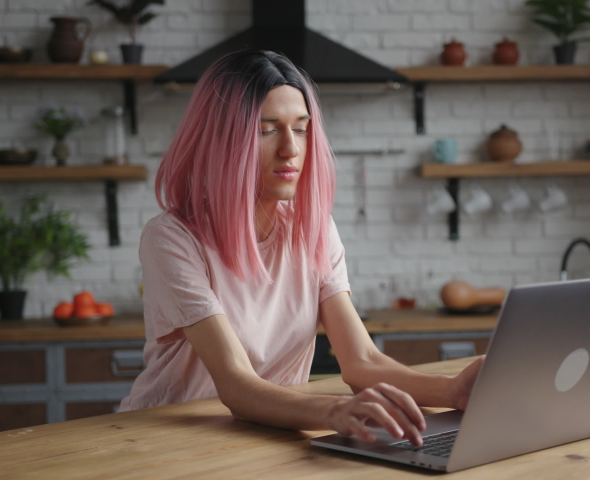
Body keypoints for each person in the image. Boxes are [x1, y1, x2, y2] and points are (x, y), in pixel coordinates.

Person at [119, 50, 483, 446]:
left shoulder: (315, 229)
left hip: (265, 434)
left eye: (301, 128)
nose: (291, 148)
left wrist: (452, 391)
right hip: (167, 441)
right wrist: (333, 411)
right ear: (222, 140)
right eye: (267, 129)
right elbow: (237, 384)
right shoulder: (172, 239)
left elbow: (362, 362)